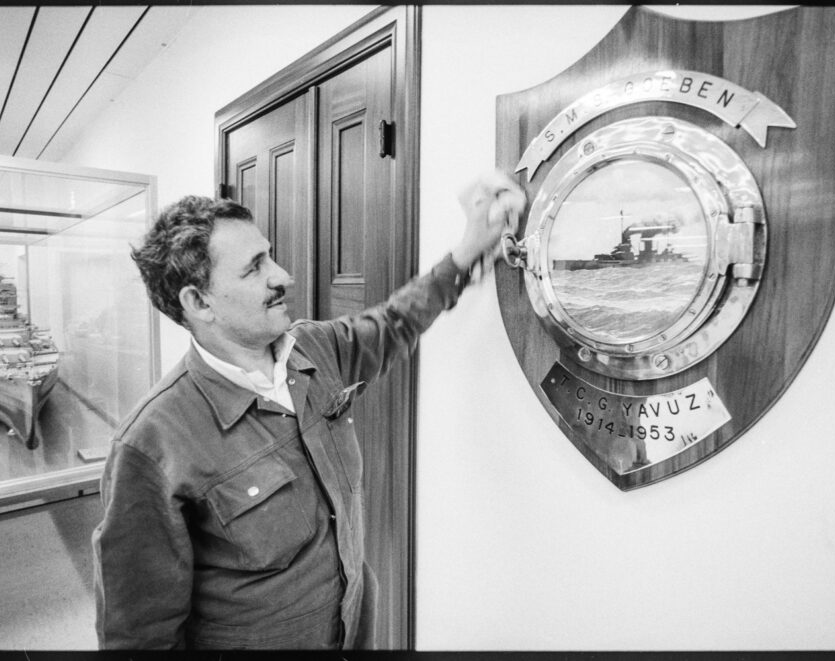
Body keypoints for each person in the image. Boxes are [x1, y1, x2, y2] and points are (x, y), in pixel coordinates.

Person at [91, 172, 526, 650]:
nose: (283, 276)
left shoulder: (314, 348)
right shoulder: (150, 444)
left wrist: (467, 251)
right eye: (255, 267)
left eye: (269, 255)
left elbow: (395, 321)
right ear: (199, 302)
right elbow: (138, 638)